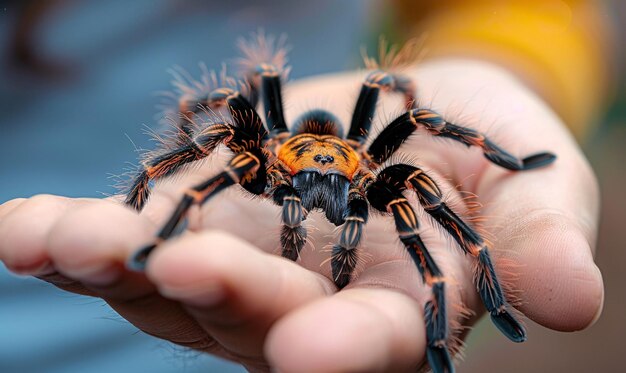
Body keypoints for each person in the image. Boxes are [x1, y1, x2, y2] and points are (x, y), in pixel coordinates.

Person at [0, 2, 607, 372]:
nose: (316, 195)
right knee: (227, 128)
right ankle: (144, 226)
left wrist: (506, 73)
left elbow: (426, 103)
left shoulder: (379, 172)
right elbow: (206, 122)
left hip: (226, 335)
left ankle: (458, 326)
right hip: (62, 318)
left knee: (431, 212)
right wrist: (155, 194)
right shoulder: (257, 155)